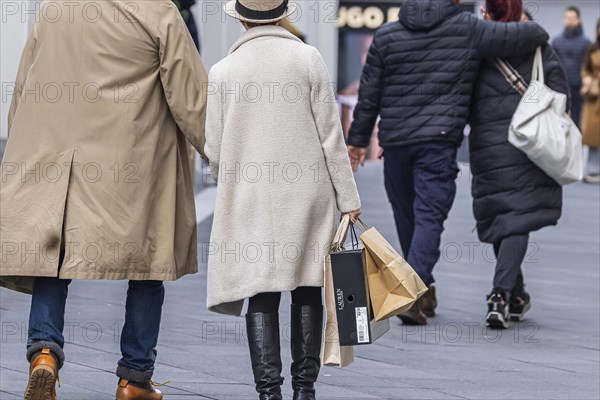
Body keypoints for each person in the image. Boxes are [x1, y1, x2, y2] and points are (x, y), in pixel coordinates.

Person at [0, 1, 207, 399]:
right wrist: (224, 153)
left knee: (54, 254)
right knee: (148, 263)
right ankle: (134, 377)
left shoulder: (54, 9)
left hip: (61, 161)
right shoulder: (157, 11)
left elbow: (25, 86)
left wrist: (22, 152)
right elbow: (192, 100)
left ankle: (44, 352)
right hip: (133, 163)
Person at [346, 0, 549, 325]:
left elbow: (370, 92)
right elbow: (533, 33)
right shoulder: (468, 29)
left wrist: (357, 141)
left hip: (395, 142)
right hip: (438, 141)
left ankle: (421, 288)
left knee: (406, 214)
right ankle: (414, 291)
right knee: (428, 216)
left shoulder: (386, 35)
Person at [204, 1, 361, 399]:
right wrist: (348, 197)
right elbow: (330, 136)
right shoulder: (307, 58)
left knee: (261, 291)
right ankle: (304, 390)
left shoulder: (223, 71)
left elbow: (215, 150)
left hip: (251, 195)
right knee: (308, 287)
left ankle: (268, 392)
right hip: (308, 193)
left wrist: (230, 184)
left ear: (240, 17)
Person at [469, 0, 569, 329]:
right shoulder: (539, 46)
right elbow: (560, 91)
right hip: (531, 144)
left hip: (489, 145)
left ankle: (512, 294)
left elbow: (462, 95)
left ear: (489, 13)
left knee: (503, 215)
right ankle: (503, 293)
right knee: (516, 219)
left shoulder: (477, 46)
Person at [552, 6, 591, 128]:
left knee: (578, 121)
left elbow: (588, 66)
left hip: (579, 89)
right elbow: (553, 65)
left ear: (579, 20)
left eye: (572, 17)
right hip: (560, 88)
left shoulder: (586, 43)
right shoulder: (556, 42)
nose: (569, 20)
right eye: (567, 17)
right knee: (558, 121)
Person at [581, 19, 600, 184]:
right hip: (595, 98)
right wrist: (588, 79)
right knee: (594, 136)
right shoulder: (592, 49)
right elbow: (585, 69)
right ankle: (593, 169)